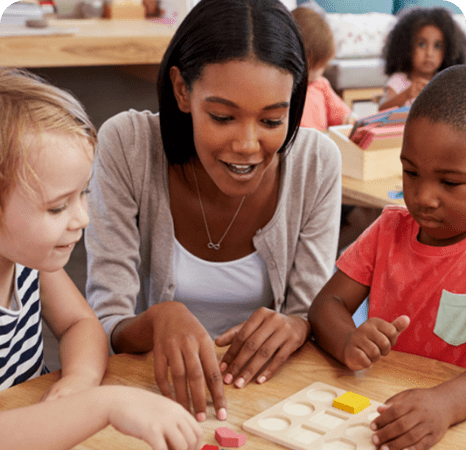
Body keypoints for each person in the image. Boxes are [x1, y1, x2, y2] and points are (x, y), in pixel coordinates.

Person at [85, 0, 342, 423]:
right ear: (182, 90)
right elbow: (106, 321)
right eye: (222, 117)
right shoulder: (128, 144)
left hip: (272, 403)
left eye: (272, 121)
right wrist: (157, 320)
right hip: (159, 398)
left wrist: (300, 326)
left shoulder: (316, 163)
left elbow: (308, 311)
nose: (246, 144)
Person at [0, 68, 202, 450]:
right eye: (58, 207)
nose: (83, 219)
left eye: (84, 194)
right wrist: (102, 405)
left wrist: (78, 381)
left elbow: (81, 324)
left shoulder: (27, 263)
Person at [309, 65, 466, 450]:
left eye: (449, 182)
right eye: (411, 172)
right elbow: (326, 304)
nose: (424, 197)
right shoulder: (388, 230)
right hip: (382, 409)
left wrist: (446, 404)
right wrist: (348, 339)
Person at [379, 6, 465, 111]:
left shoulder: (447, 81)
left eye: (437, 46)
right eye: (422, 44)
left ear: (448, 50)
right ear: (406, 46)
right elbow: (381, 111)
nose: (429, 53)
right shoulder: (399, 80)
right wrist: (406, 94)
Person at [291, 7, 357, 131]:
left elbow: (343, 116)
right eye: (308, 68)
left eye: (320, 67)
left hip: (319, 147)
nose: (314, 75)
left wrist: (349, 119)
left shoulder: (321, 85)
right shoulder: (282, 88)